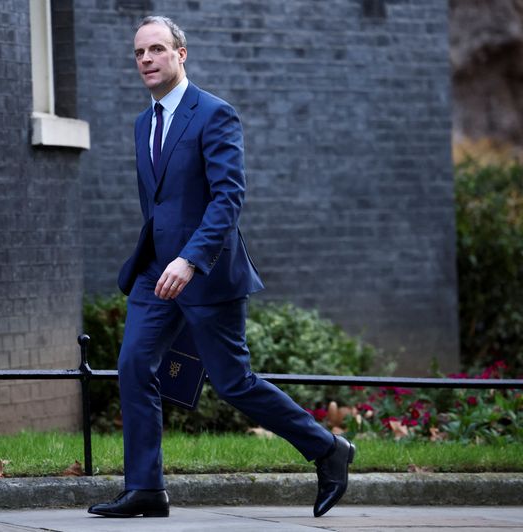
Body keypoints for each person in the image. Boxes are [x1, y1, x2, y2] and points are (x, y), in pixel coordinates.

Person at [87, 15, 355, 519]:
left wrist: (191, 259)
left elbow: (229, 198)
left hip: (207, 273)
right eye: (139, 53)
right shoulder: (142, 123)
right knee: (132, 367)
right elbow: (160, 205)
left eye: (157, 50)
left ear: (180, 54)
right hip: (154, 273)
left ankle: (328, 449)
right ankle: (145, 488)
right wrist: (160, 259)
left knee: (234, 383)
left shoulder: (214, 114)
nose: (146, 60)